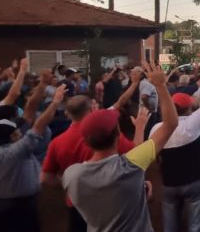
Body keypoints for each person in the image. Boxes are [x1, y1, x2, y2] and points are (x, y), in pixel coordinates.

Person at [62, 61, 179, 232]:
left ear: (86, 141)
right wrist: (161, 85)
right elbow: (170, 124)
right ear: (118, 135)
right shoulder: (131, 165)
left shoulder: (72, 175)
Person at [0, 83, 66, 232]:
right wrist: (55, 103)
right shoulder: (15, 152)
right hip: (18, 208)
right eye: (16, 131)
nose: (20, 133)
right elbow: (39, 126)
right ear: (11, 135)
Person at [41, 92, 139, 232]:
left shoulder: (57, 142)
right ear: (91, 110)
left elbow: (46, 177)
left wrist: (68, 182)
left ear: (67, 114)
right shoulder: (106, 134)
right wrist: (140, 127)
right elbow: (134, 154)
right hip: (109, 201)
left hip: (76, 202)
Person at [150, 57, 200, 232]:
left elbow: (153, 156)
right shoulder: (192, 123)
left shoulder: (156, 129)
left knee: (170, 223)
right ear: (188, 108)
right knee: (196, 224)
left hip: (169, 182)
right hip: (194, 180)